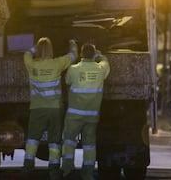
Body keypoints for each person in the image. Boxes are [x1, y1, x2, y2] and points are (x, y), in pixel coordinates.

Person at [21, 37, 78, 180]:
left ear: (38, 51)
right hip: (55, 109)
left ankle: (27, 169)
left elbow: (27, 53)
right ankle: (53, 172)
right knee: (54, 142)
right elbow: (73, 56)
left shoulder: (31, 64)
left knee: (32, 140)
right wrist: (72, 43)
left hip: (37, 108)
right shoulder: (57, 63)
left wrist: (37, 47)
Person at [61, 43, 110, 180]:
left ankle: (67, 170)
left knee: (69, 142)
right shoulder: (101, 69)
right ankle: (87, 174)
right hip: (92, 117)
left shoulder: (73, 69)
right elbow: (106, 62)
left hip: (74, 115)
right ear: (93, 54)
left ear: (81, 54)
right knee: (89, 145)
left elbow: (67, 81)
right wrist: (100, 55)